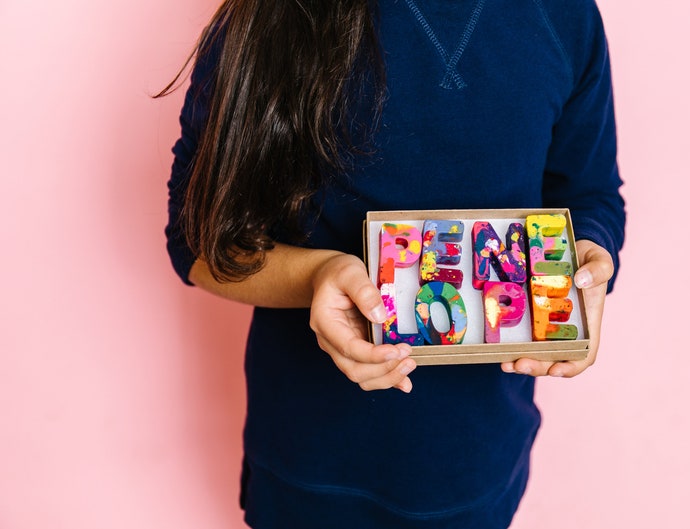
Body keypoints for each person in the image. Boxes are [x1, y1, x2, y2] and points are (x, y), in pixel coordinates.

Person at [162, 0, 625, 527]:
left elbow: (591, 195)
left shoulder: (565, 16)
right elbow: (195, 240)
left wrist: (590, 256)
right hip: (308, 464)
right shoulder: (274, 13)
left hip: (482, 464)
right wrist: (315, 276)